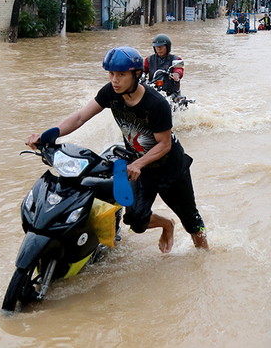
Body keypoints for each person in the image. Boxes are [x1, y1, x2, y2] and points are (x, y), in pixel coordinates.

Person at [26, 46, 208, 253]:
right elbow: (80, 117)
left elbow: (165, 144)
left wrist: (139, 163)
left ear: (137, 74)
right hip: (138, 167)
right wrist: (47, 135)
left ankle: (205, 260)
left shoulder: (156, 104)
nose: (114, 80)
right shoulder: (110, 93)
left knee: (192, 221)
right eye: (111, 74)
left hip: (170, 168)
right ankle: (167, 225)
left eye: (121, 74)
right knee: (136, 221)